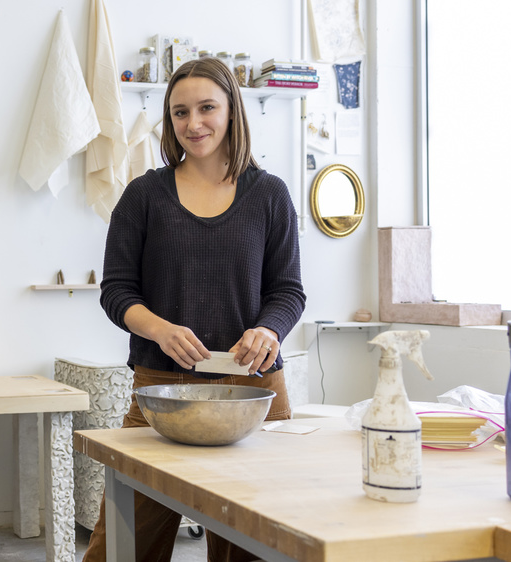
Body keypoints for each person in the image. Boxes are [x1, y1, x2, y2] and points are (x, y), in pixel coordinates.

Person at [83, 58, 306, 562]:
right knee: (120, 545)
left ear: (232, 112)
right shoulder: (143, 196)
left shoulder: (270, 195)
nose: (193, 123)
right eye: (180, 112)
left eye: (207, 108)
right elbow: (117, 291)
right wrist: (160, 330)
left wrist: (269, 331)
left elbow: (288, 292)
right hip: (162, 391)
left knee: (252, 547)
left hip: (254, 389)